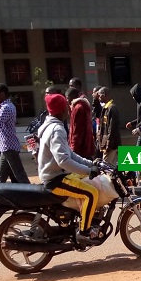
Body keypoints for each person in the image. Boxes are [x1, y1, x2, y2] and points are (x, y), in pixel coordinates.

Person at [37, 93, 99, 246]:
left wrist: (90, 164)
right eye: (66, 106)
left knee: (85, 183)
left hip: (56, 174)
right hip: (55, 179)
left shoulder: (51, 126)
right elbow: (63, 160)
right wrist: (88, 171)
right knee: (92, 194)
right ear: (61, 110)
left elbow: (70, 154)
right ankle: (84, 232)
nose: (68, 109)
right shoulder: (57, 129)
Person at [0, 83, 30, 184]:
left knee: (19, 174)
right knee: (0, 176)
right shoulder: (4, 107)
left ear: (2, 94)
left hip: (9, 146)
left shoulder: (6, 107)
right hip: (5, 147)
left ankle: (32, 197)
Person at [66, 87, 95, 159]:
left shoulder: (78, 108)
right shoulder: (81, 106)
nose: (66, 101)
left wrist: (73, 149)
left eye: (67, 98)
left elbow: (77, 131)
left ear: (72, 97)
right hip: (85, 147)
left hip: (81, 149)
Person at [96, 87, 121, 166]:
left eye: (100, 96)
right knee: (113, 168)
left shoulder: (112, 108)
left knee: (106, 167)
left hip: (111, 146)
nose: (99, 98)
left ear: (104, 95)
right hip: (108, 144)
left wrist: (108, 145)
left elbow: (112, 129)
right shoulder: (105, 108)